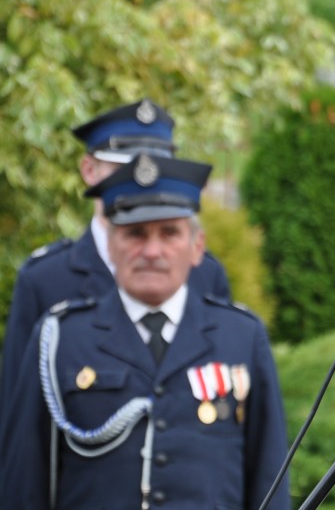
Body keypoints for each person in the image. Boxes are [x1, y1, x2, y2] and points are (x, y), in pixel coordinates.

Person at [0, 153, 289, 508]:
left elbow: (269, 475)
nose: (152, 251)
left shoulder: (242, 337)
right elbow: (23, 483)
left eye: (169, 233)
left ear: (197, 247)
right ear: (110, 244)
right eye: (135, 233)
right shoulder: (60, 339)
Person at [0, 99, 231, 426]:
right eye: (125, 169)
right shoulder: (45, 280)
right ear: (89, 171)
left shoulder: (204, 273)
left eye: (154, 169)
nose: (140, 183)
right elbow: (18, 418)